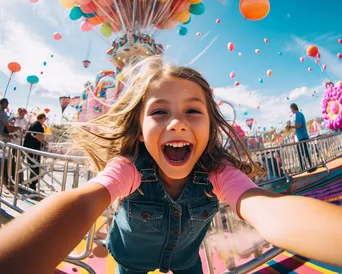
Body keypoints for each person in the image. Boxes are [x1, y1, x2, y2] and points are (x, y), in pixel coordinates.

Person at [0, 57, 341, 274]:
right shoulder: (129, 167)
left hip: (187, 262)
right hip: (131, 261)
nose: (177, 123)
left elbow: (266, 208)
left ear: (210, 125)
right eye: (160, 112)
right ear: (140, 126)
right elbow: (85, 201)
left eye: (193, 111)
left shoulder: (217, 171)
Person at [286, 104, 316, 173]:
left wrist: (290, 127)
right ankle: (306, 167)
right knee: (303, 153)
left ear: (293, 108)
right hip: (301, 137)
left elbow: (299, 126)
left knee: (303, 153)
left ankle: (306, 168)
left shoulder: (298, 114)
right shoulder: (299, 115)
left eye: (291, 109)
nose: (291, 111)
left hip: (302, 137)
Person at [23, 113, 47, 190]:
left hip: (30, 149)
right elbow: (38, 137)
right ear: (42, 118)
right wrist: (45, 143)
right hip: (33, 150)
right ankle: (32, 184)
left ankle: (31, 183)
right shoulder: (38, 126)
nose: (45, 120)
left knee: (33, 166)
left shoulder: (34, 124)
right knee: (35, 167)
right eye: (45, 119)